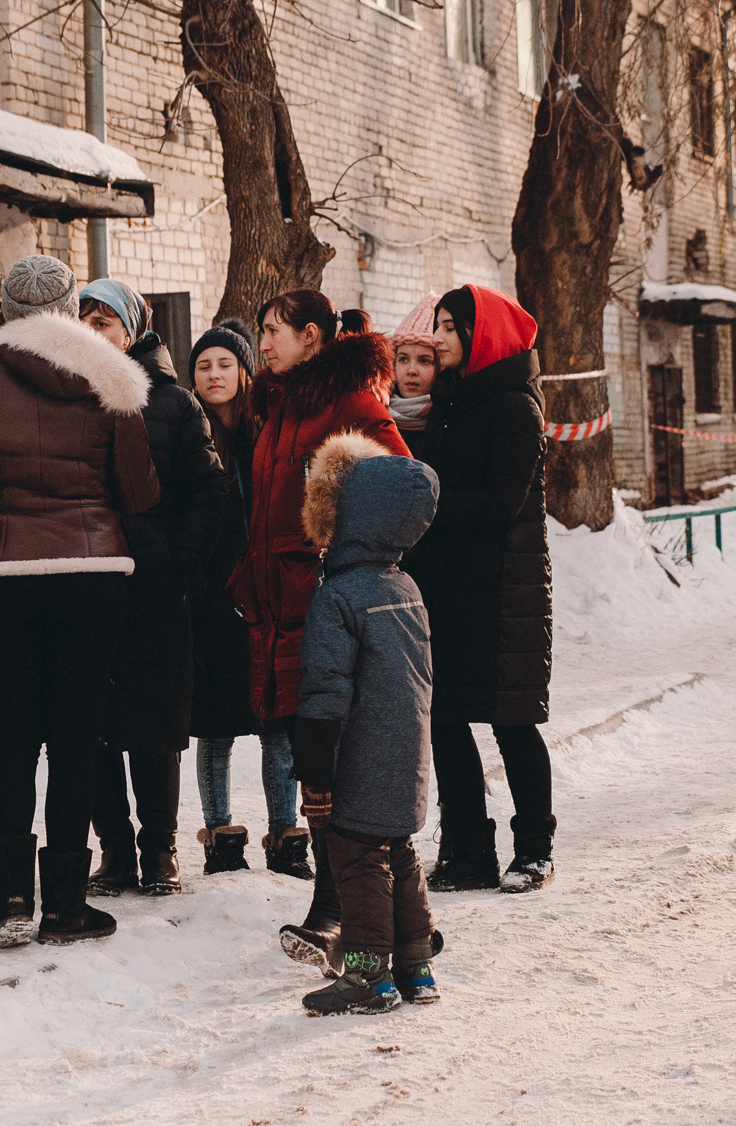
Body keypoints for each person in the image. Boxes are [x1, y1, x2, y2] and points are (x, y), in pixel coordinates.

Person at [0, 254, 160, 950]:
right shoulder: (112, 383)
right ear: (69, 309)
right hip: (92, 574)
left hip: (2, 579)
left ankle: (9, 902)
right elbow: (140, 492)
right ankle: (66, 903)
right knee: (78, 739)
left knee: (13, 737)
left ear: (3, 312)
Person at [231, 289, 407, 891]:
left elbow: (405, 487)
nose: (262, 344)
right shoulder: (281, 406)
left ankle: (352, 903)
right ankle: (344, 901)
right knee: (309, 754)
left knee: (336, 756)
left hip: (327, 606)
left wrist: (343, 563)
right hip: (277, 605)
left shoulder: (349, 400)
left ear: (311, 335)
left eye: (273, 330)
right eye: (260, 331)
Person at [77, 279, 229, 898]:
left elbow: (210, 492)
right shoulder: (70, 396)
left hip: (154, 589)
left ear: (133, 329)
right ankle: (114, 851)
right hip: (87, 584)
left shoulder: (173, 403)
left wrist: (174, 564)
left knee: (155, 722)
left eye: (104, 322)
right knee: (91, 724)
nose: (93, 333)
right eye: (83, 321)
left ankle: (158, 851)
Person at [401, 285, 555, 894]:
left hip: (501, 589)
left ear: (479, 335)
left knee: (512, 719)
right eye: (437, 326)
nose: (436, 338)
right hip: (446, 585)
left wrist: (423, 504)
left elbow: (500, 501)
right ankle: (469, 850)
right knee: (445, 718)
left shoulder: (516, 407)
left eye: (448, 327)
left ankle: (535, 849)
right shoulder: (449, 402)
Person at [289, 433, 442, 1015]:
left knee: (356, 860)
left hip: (357, 758)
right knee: (400, 854)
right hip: (407, 755)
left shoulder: (340, 598)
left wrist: (315, 767)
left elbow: (328, 694)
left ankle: (366, 975)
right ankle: (416, 966)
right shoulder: (405, 588)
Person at [186, 320, 284, 875]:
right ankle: (220, 837)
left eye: (225, 364)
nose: (214, 374)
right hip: (212, 597)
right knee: (216, 722)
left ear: (244, 371)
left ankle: (286, 835)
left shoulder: (267, 428)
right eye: (204, 365)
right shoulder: (188, 429)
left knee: (277, 719)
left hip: (268, 592)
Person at [387, 295, 442, 459]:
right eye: (403, 359)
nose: (411, 370)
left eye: (424, 361)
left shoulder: (453, 423)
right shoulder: (374, 417)